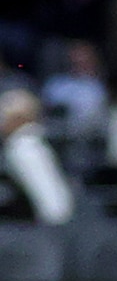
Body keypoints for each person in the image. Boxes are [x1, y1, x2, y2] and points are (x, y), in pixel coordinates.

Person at [0, 86, 71, 225]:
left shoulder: (24, 146)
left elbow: (52, 205)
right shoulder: (36, 141)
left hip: (43, 231)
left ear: (19, 118)